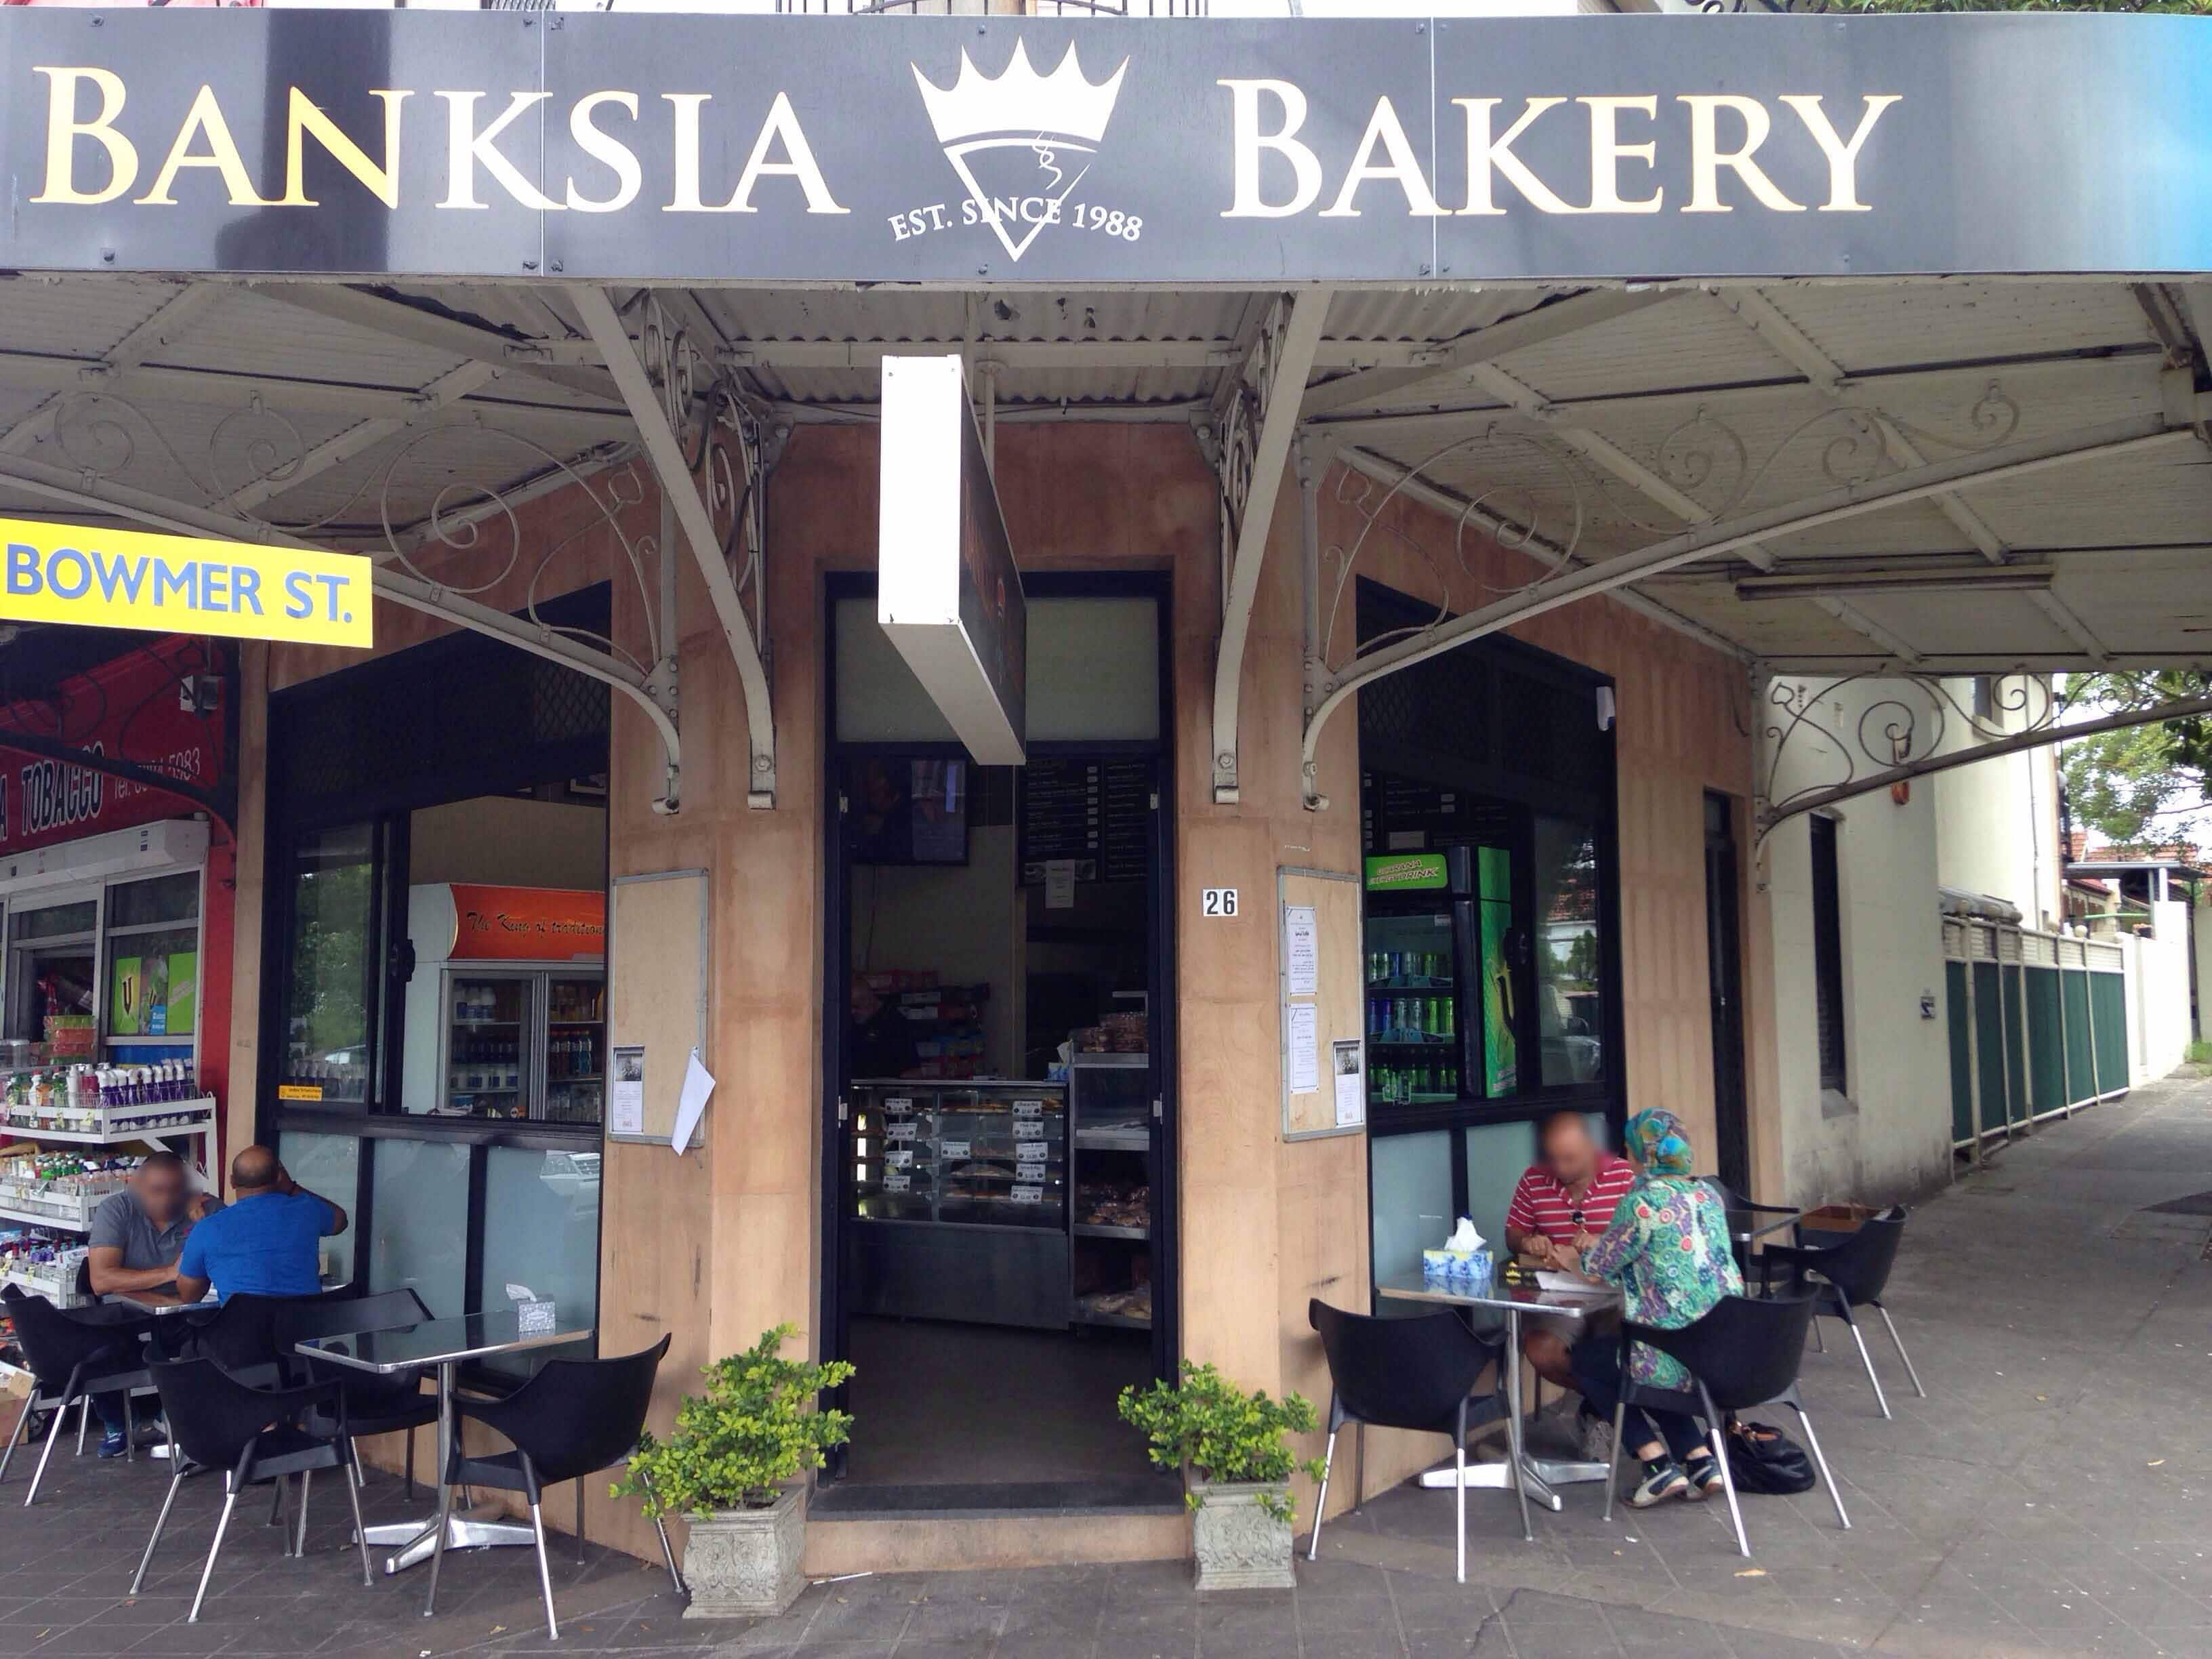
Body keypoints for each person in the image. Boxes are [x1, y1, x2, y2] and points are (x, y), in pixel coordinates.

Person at [1565, 1108, 1744, 1508]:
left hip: (1675, 1358)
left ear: (1643, 1155)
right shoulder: (1708, 1195)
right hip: (1723, 1353)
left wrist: (1586, 1248)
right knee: (1645, 1357)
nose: (1626, 1157)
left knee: (1594, 1362)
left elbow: (1598, 1269)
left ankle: (1656, 1463)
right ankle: (1700, 1462)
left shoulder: (1642, 1204)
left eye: (1629, 1149)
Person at [83, 1151, 220, 1456]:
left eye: (175, 1190)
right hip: (129, 1308)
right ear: (135, 1186)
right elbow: (102, 1281)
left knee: (214, 1338)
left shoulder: (207, 1210)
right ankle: (116, 1423)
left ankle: (178, 1418)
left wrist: (205, 1227)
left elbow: (227, 1267)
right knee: (101, 1346)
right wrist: (171, 1273)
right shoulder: (116, 1209)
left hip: (189, 1307)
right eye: (157, 1190)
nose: (167, 1199)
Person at [1504, 1111, 1637, 1411]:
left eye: (1570, 1159)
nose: (1560, 1168)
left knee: (1613, 1347)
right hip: (1560, 1292)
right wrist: (1527, 1241)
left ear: (1591, 1148)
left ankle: (1612, 1413)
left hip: (1614, 1290)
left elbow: (1640, 1240)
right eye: (1553, 1159)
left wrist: (1602, 1243)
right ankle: (1610, 1406)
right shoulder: (1533, 1179)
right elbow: (1513, 1234)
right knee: (1540, 1352)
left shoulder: (1623, 1176)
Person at [173, 1146, 348, 1306]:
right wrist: (291, 1188)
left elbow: (189, 1297)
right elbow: (340, 1221)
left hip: (239, 1337)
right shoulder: (307, 1209)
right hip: (302, 1335)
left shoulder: (207, 1228)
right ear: (279, 1178)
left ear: (232, 1182)